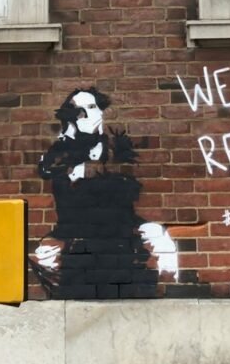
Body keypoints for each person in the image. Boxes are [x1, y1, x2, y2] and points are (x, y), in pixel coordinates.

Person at [31, 88, 179, 298]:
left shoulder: (117, 146)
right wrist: (69, 137)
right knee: (44, 257)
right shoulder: (61, 150)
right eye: (79, 111)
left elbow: (131, 181)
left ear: (101, 112)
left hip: (122, 224)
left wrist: (91, 172)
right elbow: (48, 171)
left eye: (91, 108)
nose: (86, 115)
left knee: (160, 240)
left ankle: (169, 297)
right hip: (72, 228)